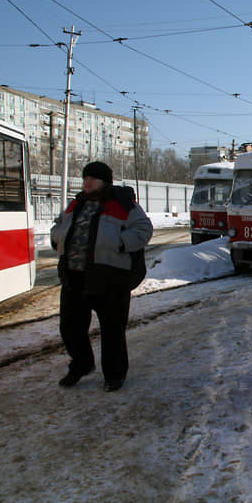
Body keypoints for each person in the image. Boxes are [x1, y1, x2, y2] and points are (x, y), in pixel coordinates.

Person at [50, 161, 152, 392]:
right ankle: (81, 365)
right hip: (74, 277)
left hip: (110, 279)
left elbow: (144, 230)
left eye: (92, 179)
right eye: (85, 178)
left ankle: (115, 375)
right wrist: (57, 237)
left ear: (105, 181)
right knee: (70, 327)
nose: (87, 183)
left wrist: (120, 242)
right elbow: (58, 225)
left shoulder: (123, 204)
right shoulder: (76, 203)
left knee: (112, 331)